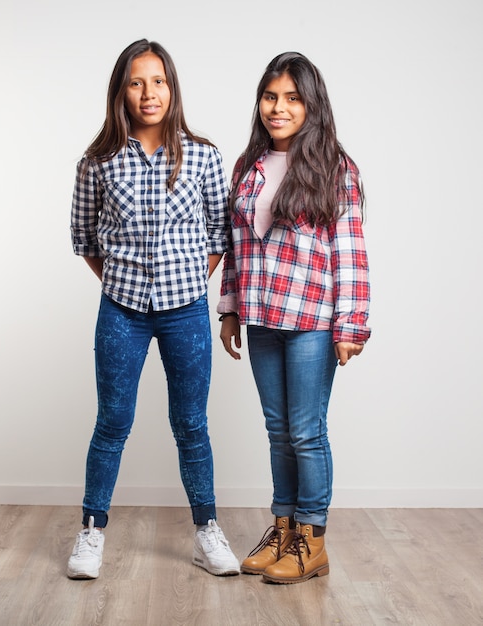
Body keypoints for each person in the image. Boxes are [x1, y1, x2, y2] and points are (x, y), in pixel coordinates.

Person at [68, 39, 240, 580]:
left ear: (173, 88)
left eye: (159, 81)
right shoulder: (97, 162)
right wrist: (125, 280)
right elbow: (84, 237)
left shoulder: (204, 155)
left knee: (191, 424)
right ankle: (92, 531)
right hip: (120, 311)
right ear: (122, 90)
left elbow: (219, 230)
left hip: (185, 310)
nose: (149, 93)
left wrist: (188, 279)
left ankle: (206, 532)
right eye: (137, 82)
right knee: (112, 422)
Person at [218, 51, 371, 584]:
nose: (277, 108)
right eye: (270, 97)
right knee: (277, 429)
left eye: (291, 98)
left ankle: (312, 538)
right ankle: (282, 529)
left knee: (307, 431)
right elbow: (236, 246)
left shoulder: (335, 168)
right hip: (261, 316)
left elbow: (350, 250)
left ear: (312, 105)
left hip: (312, 319)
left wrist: (351, 325)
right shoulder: (248, 165)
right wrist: (230, 309)